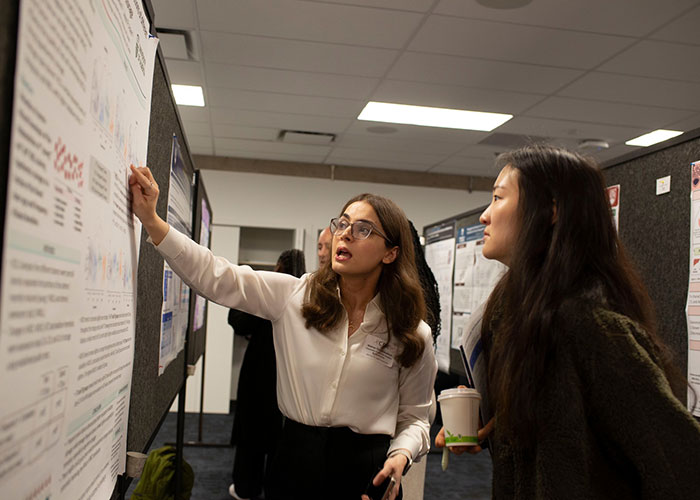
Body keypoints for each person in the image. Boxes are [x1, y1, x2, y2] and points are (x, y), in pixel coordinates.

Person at [128, 165, 437, 500]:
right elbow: (215, 276)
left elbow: (417, 419)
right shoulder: (294, 296)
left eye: (363, 229)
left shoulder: (412, 332)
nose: (345, 234)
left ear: (391, 252)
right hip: (293, 460)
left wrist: (401, 455)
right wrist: (153, 221)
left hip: (367, 471)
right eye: (343, 223)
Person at [436, 145, 700, 498]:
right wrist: (495, 429)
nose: (484, 216)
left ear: (551, 211)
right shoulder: (510, 314)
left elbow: (675, 457)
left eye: (498, 198)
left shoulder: (592, 326)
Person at [228, 249, 306, 500]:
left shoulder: (267, 293)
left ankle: (246, 488)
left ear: (279, 267)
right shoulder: (307, 296)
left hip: (259, 373)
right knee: (280, 438)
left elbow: (239, 322)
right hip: (291, 374)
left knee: (251, 434)